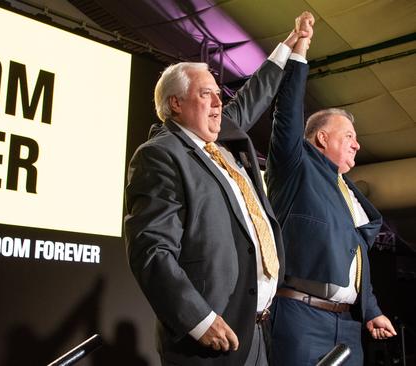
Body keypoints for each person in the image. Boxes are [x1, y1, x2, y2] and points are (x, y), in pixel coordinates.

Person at [124, 12, 313, 366]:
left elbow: (252, 97)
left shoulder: (220, 141)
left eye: (217, 94)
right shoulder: (161, 155)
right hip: (210, 338)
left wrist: (289, 45)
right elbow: (150, 249)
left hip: (254, 332)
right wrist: (198, 319)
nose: (217, 103)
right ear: (176, 104)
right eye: (206, 94)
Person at [265, 12, 397, 365]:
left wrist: (371, 311)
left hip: (349, 325)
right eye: (349, 137)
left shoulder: (350, 194)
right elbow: (288, 113)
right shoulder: (297, 166)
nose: (358, 145)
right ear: (322, 137)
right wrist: (300, 49)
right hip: (300, 319)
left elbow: (356, 258)